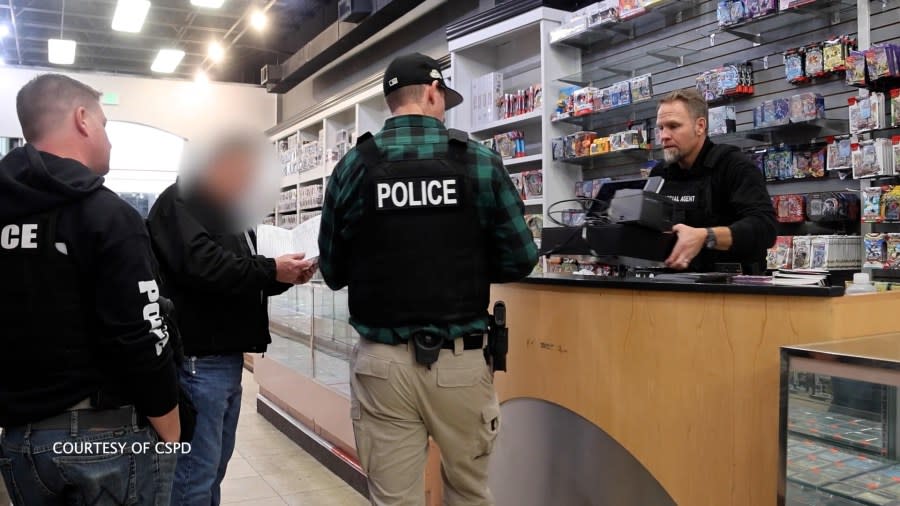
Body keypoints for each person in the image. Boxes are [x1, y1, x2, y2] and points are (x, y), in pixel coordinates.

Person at [318, 53, 538, 506]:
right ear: (434, 92)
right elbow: (520, 259)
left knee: (394, 500)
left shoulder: (353, 167)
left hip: (382, 366)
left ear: (389, 100)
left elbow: (334, 271)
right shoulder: (479, 162)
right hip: (461, 362)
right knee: (468, 493)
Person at [0, 74, 180, 505]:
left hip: (20, 438)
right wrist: (170, 428)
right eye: (104, 124)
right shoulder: (106, 215)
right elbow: (140, 331)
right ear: (82, 120)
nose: (110, 141)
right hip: (104, 433)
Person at [147, 132, 317, 506]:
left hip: (224, 360)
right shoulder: (182, 202)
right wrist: (271, 270)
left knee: (212, 469)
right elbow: (204, 266)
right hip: (198, 361)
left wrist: (284, 277)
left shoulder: (229, 212)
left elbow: (242, 277)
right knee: (194, 475)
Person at [651, 88, 777, 274]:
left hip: (730, 290)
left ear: (700, 126)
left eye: (674, 126)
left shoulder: (734, 165)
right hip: (671, 286)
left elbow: (765, 228)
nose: (664, 136)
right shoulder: (660, 173)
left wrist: (705, 236)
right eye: (661, 128)